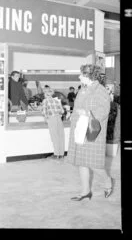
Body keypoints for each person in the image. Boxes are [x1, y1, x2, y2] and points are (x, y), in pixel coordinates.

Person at [66, 64, 112, 201]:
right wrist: (73, 115)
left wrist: (86, 113)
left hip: (92, 132)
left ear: (88, 76)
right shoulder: (83, 90)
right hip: (80, 129)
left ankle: (107, 180)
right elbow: (77, 108)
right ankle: (85, 191)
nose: (79, 76)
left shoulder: (101, 90)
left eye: (81, 74)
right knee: (81, 162)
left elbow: (104, 111)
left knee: (93, 163)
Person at [42, 87, 65, 159]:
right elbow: (62, 111)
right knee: (60, 136)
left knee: (54, 136)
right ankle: (61, 154)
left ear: (45, 93)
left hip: (51, 119)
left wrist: (46, 118)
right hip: (59, 118)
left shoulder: (45, 101)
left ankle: (56, 154)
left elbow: (44, 112)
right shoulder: (57, 100)